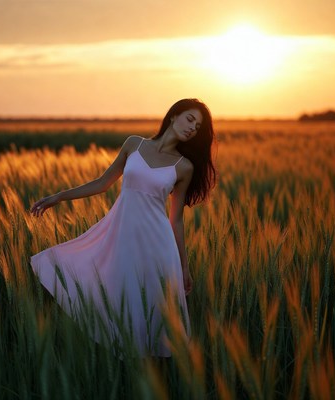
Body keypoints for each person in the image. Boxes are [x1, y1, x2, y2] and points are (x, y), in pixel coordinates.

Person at [30, 98, 216, 357]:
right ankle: (119, 360)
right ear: (173, 116)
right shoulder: (134, 144)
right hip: (122, 237)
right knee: (117, 296)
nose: (192, 128)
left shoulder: (184, 167)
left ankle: (147, 373)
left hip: (158, 245)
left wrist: (184, 266)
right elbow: (102, 183)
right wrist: (58, 196)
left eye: (197, 127)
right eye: (189, 119)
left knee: (149, 309)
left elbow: (176, 220)